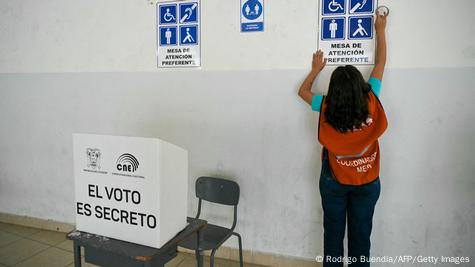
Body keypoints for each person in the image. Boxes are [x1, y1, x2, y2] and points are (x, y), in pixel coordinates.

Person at [298, 13, 388, 267]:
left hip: (334, 181)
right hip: (368, 181)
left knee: (333, 238)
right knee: (361, 238)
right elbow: (381, 62)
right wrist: (380, 30)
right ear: (362, 86)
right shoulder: (372, 99)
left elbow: (302, 92)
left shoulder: (325, 106)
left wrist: (315, 70)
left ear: (334, 92)